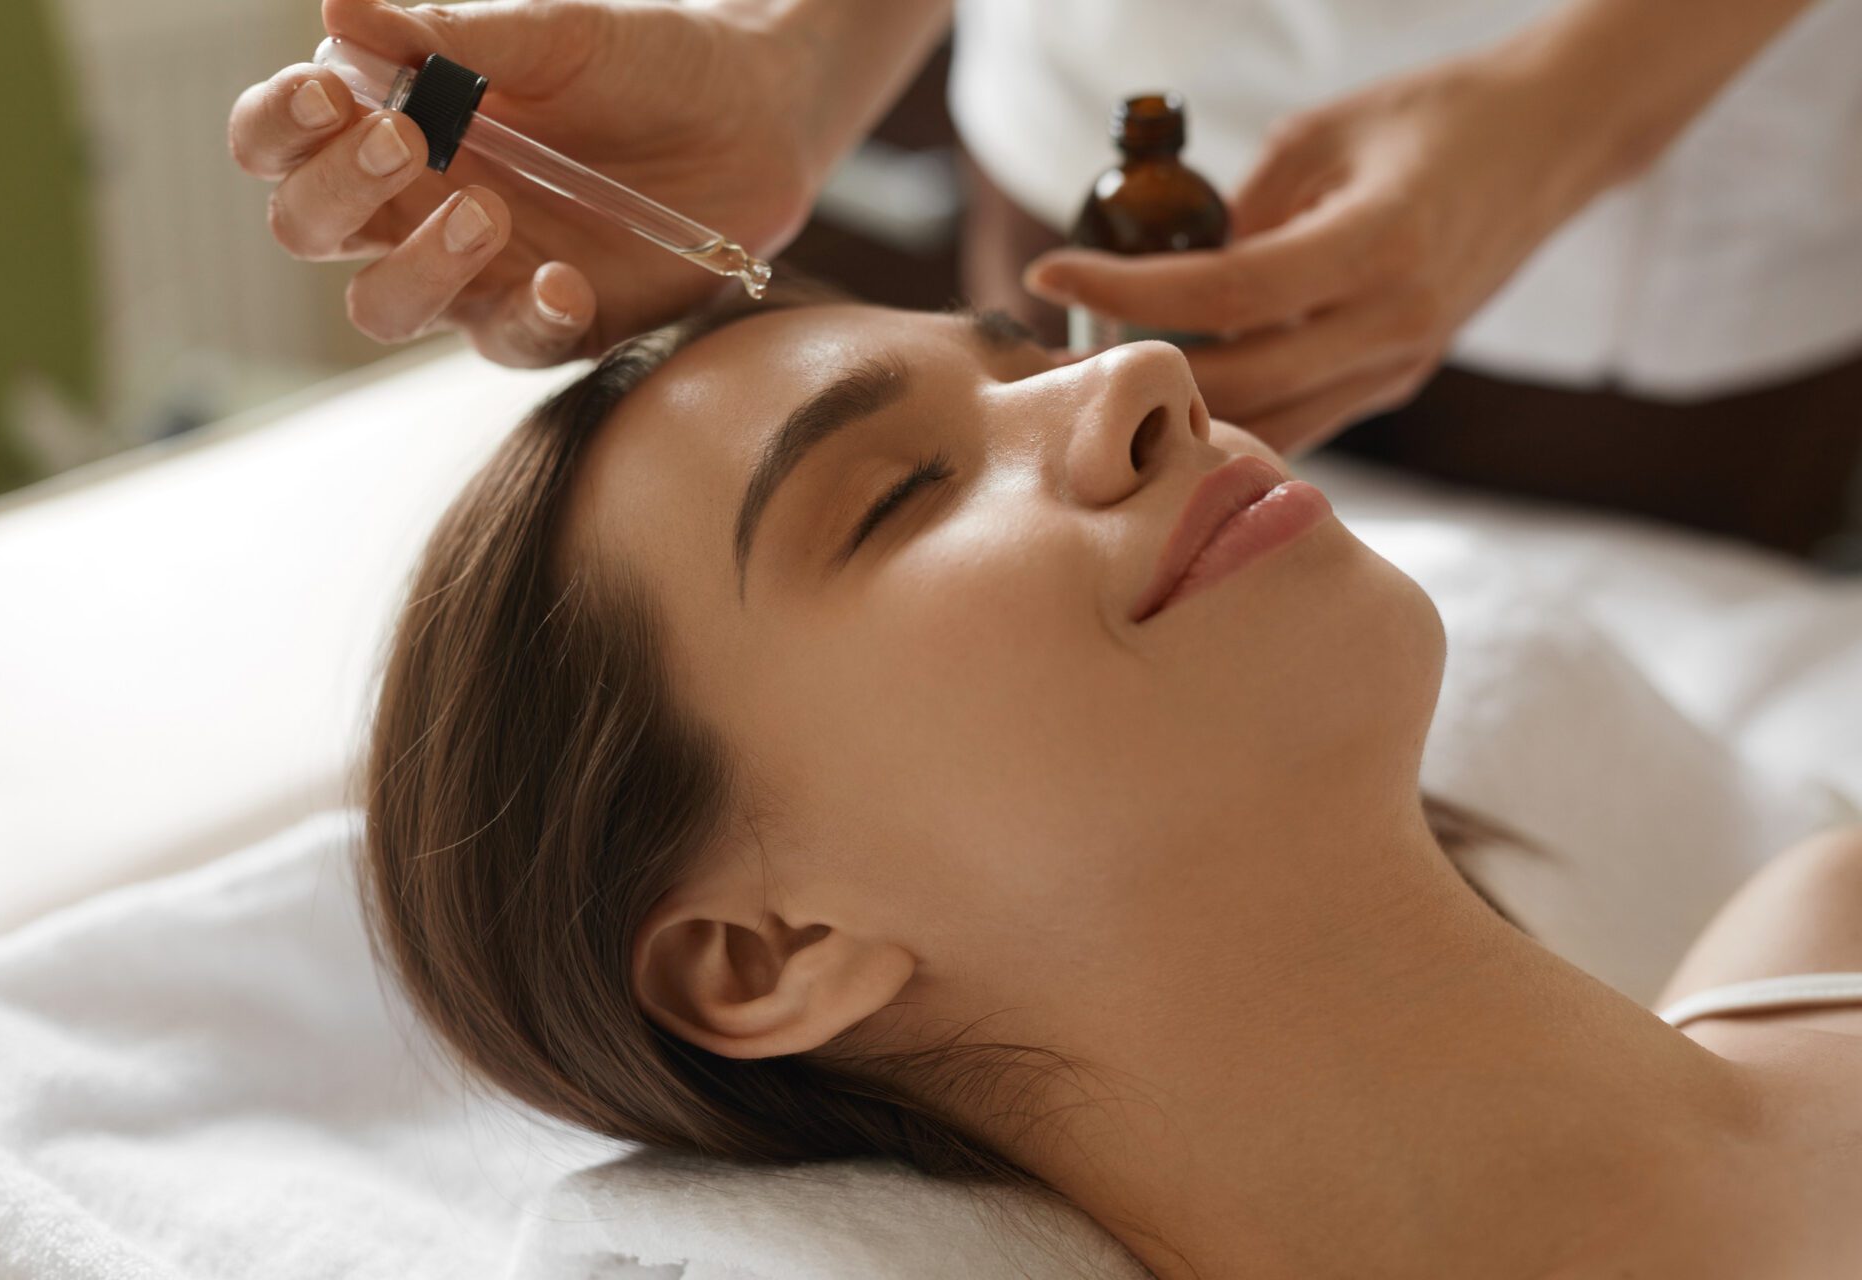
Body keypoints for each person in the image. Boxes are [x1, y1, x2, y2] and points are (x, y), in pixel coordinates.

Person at [363, 287, 1862, 1278]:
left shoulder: (1832, 911)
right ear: (772, 953)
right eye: (900, 493)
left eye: (1035, 359)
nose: (1147, 375)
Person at [230, 0, 1862, 555]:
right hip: (1103, 87)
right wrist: (799, 58)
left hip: (1677, 211)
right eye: (900, 497)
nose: (1135, 391)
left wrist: (1575, 112)